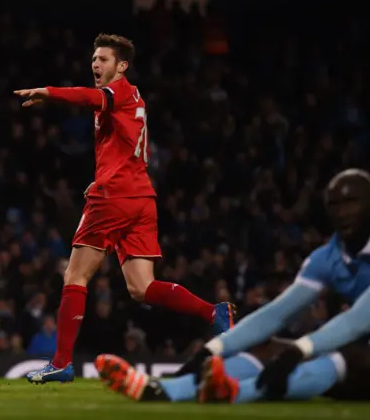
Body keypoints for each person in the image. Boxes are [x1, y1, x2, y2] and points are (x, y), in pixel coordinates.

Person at [14, 34, 236, 385]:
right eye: (94, 59)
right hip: (140, 197)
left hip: (115, 196)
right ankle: (215, 311)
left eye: (103, 59)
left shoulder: (118, 91)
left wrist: (49, 92)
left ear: (122, 66)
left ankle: (60, 363)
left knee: (75, 276)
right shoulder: (132, 99)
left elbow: (89, 98)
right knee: (141, 287)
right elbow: (125, 148)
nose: (96, 65)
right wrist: (101, 177)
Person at [95, 169, 370, 403]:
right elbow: (277, 313)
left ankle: (237, 393)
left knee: (350, 352)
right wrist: (211, 350)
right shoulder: (328, 256)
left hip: (358, 358)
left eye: (352, 202)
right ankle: (162, 389)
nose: (342, 212)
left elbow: (357, 321)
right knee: (263, 347)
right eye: (335, 204)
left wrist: (300, 350)